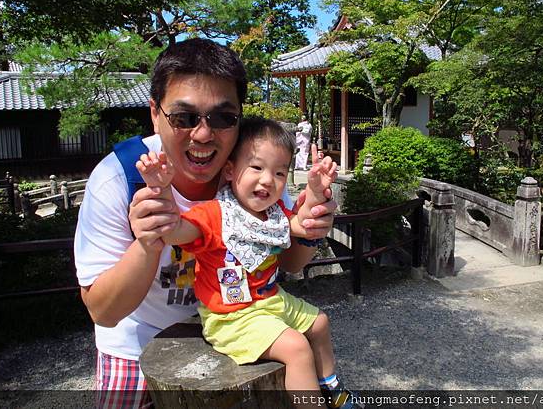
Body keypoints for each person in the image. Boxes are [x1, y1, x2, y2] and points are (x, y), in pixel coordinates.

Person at [74, 39, 337, 408]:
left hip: (242, 319)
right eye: (183, 118)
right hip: (137, 341)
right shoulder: (118, 179)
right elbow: (104, 311)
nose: (203, 134)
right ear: (155, 113)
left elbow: (290, 262)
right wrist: (149, 242)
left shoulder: (253, 173)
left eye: (222, 118)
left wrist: (311, 228)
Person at [136, 118, 357, 406]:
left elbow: (303, 225)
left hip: (271, 301)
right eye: (256, 167)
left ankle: (330, 387)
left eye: (279, 173)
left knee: (320, 323)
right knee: (297, 349)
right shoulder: (215, 214)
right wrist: (161, 188)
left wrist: (315, 190)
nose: (268, 179)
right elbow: (176, 231)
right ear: (230, 170)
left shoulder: (275, 212)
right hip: (232, 317)